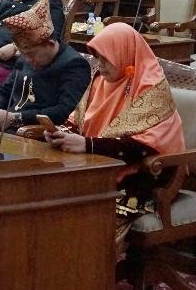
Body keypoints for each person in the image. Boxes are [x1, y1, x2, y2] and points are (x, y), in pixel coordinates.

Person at [45, 23, 185, 246]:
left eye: (104, 59)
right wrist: (60, 134)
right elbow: (78, 121)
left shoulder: (151, 86)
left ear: (123, 53)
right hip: (99, 163)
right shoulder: (100, 81)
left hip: (144, 171)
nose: (99, 66)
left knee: (88, 219)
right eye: (97, 59)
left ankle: (89, 273)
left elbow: (145, 147)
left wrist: (88, 145)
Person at [0, 0, 92, 131]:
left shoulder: (74, 64)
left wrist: (15, 118)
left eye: (31, 54)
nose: (27, 59)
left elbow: (63, 112)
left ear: (50, 44)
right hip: (7, 127)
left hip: (36, 133)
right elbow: (4, 92)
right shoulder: (26, 57)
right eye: (22, 54)